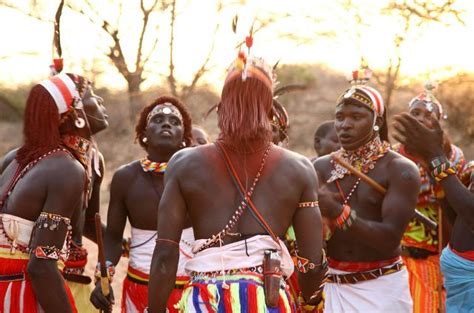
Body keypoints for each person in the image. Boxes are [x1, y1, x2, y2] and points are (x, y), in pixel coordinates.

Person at [148, 52, 327, 312]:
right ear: (270, 109)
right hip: (268, 299)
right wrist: (309, 302)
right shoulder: (299, 168)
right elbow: (311, 263)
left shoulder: (184, 163)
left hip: (206, 301)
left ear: (222, 104)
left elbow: (165, 255)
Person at [313, 69, 420, 312]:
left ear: (377, 122)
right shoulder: (320, 166)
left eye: (356, 117)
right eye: (340, 117)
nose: (345, 125)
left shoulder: (400, 170)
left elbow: (389, 238)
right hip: (332, 287)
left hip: (383, 288)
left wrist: (337, 212)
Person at [0, 72, 108, 312]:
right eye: (91, 95)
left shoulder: (17, 158)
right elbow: (41, 267)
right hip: (21, 296)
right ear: (75, 113)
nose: (100, 100)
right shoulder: (66, 169)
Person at [89, 96, 194, 313]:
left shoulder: (197, 177)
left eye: (175, 122)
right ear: (143, 135)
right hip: (139, 289)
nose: (166, 124)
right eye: (157, 120)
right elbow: (113, 238)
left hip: (190, 291)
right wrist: (103, 277)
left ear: (184, 138)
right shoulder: (126, 178)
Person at [393, 83, 466, 313]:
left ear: (438, 122)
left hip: (433, 255)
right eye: (415, 113)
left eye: (428, 114)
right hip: (395, 255)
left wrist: (434, 163)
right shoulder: (392, 155)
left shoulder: (452, 155)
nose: (421, 118)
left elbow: (456, 202)